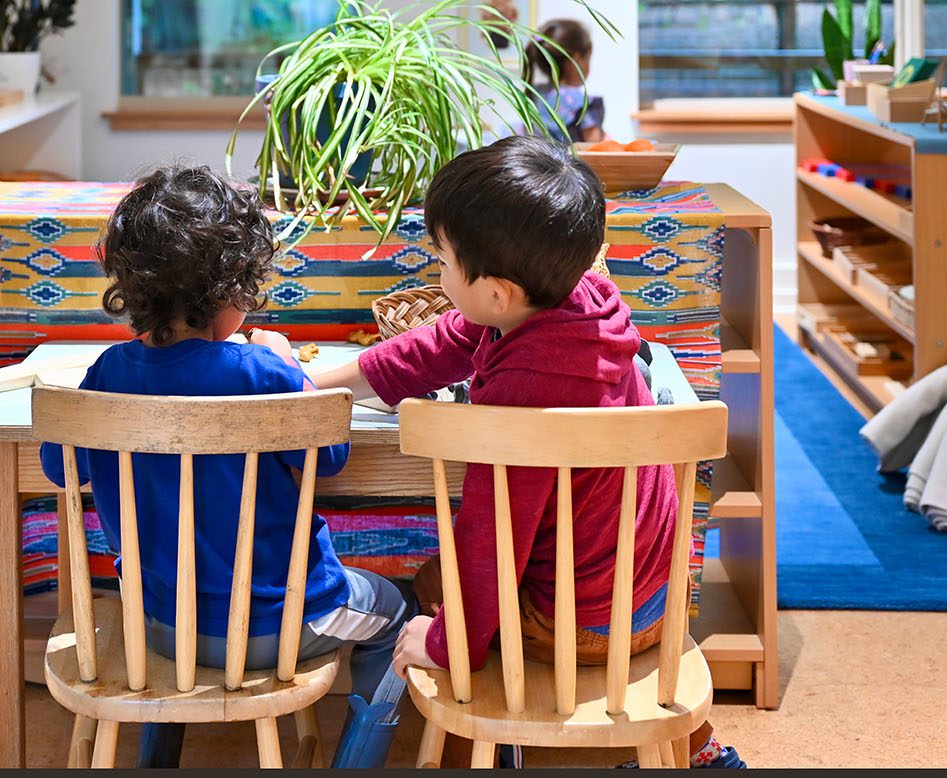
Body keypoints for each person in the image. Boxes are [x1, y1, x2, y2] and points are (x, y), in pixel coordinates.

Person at [309, 135, 744, 769]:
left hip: (586, 625)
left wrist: (448, 641)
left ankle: (496, 746)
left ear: (499, 292)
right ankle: (693, 748)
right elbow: (437, 345)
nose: (438, 274)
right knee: (476, 576)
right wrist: (312, 385)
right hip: (653, 596)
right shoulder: (581, 301)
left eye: (444, 262)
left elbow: (490, 541)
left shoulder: (523, 405)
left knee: (438, 579)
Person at [38, 164, 413, 767]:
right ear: (230, 290)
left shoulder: (108, 372)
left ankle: (158, 756)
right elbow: (332, 455)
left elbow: (60, 467)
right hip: (282, 623)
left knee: (173, 639)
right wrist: (286, 364)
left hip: (163, 626)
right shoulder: (262, 374)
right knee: (398, 612)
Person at [523, 19, 606, 143]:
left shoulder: (534, 94)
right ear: (576, 60)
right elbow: (594, 146)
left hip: (538, 162)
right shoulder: (580, 102)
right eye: (588, 58)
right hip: (569, 162)